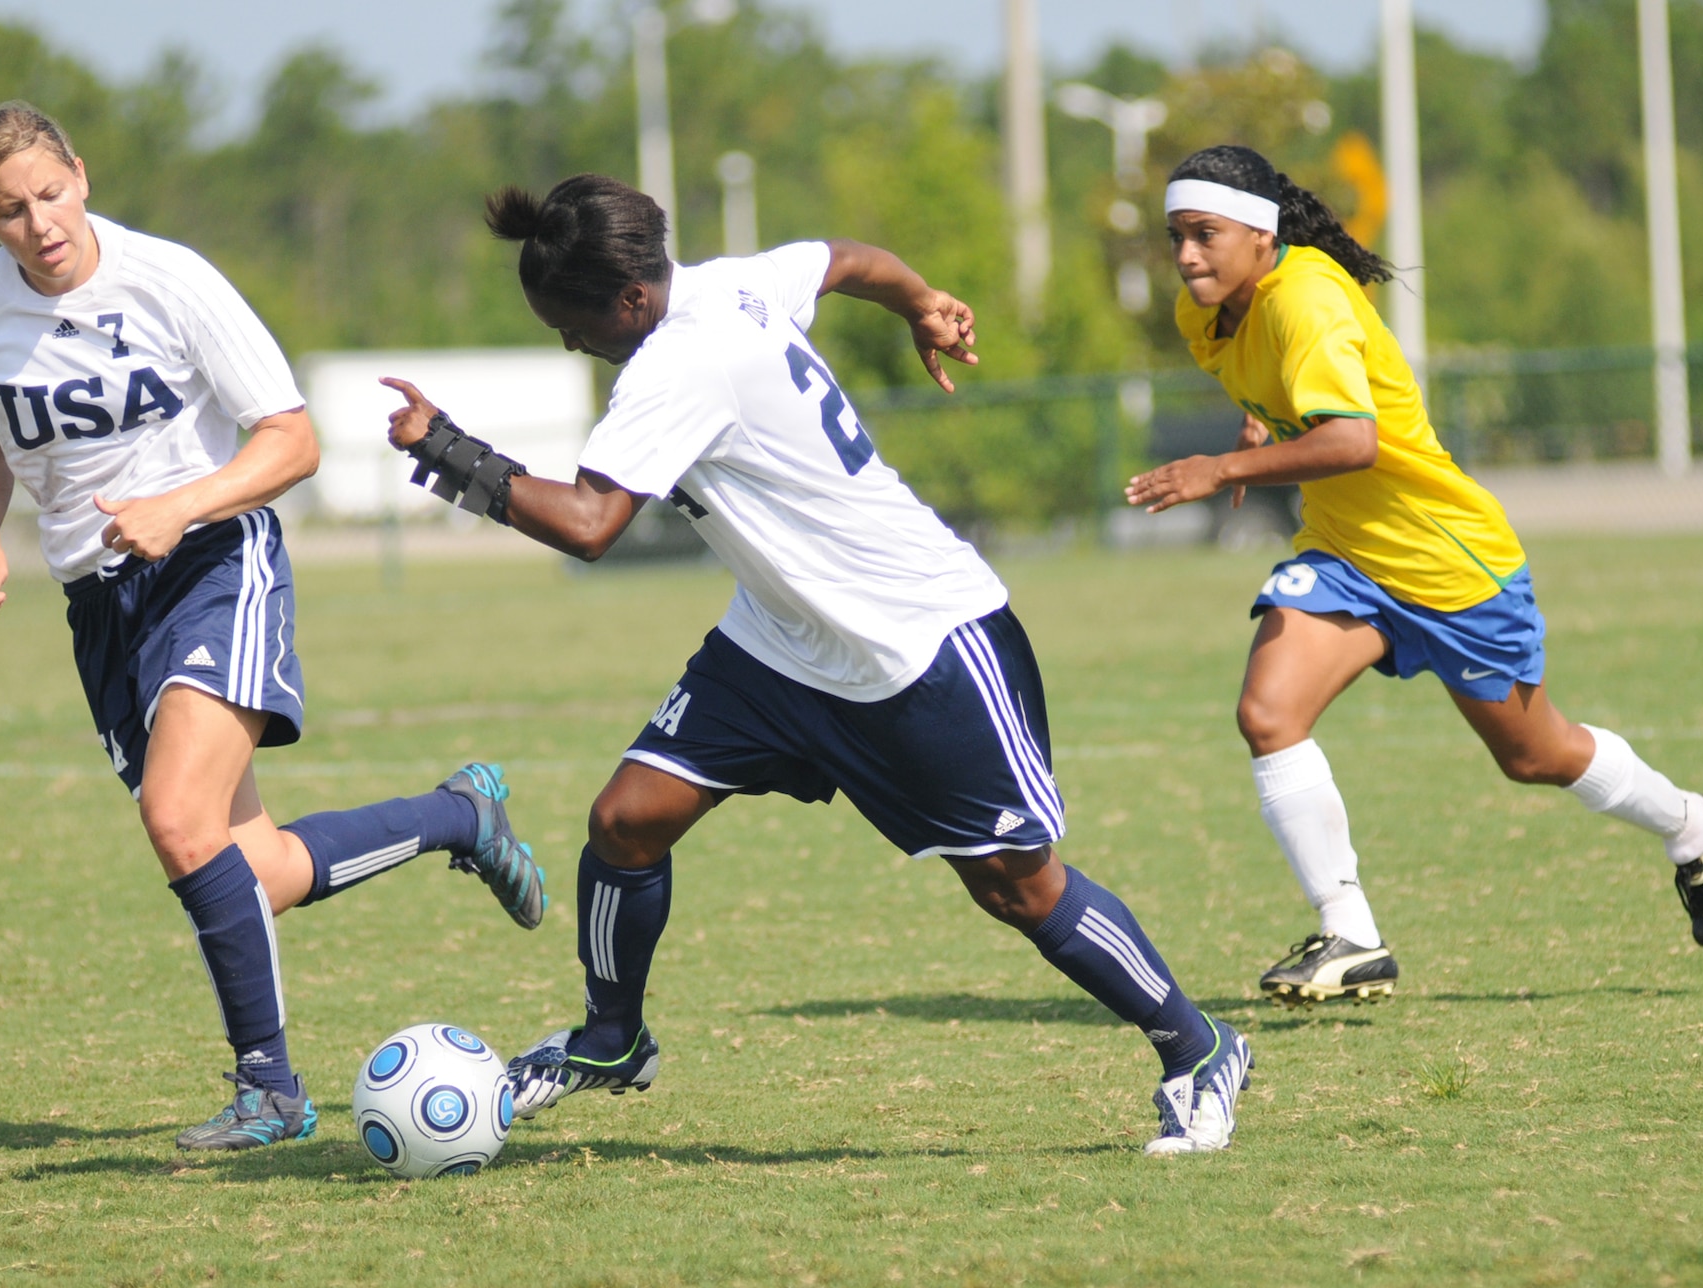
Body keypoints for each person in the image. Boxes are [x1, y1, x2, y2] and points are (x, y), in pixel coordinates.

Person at [381, 173, 1251, 1154]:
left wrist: (451, 450)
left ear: (628, 299)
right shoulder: (727, 283)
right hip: (780, 642)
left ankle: (1197, 1046)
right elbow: (843, 261)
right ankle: (609, 1039)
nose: (569, 343)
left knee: (1016, 885)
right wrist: (921, 299)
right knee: (627, 820)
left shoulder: (676, 362)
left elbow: (590, 525)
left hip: (916, 645)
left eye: (571, 324)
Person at [0, 102, 547, 1151]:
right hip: (101, 604)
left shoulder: (169, 280)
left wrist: (182, 505)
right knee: (247, 868)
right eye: (10, 210)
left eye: (50, 193)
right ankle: (457, 817)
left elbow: (293, 440)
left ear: (81, 175)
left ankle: (270, 1086)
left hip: (215, 562)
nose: (39, 222)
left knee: (177, 819)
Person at [1127, 144, 1703, 1005]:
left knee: (1535, 755)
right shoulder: (1212, 312)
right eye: (1176, 236)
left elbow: (1352, 441)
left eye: (1205, 233)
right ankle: (1351, 933)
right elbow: (1282, 380)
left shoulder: (1307, 298)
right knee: (1268, 712)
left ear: (1262, 233)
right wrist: (1259, 426)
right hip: (1346, 555)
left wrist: (1218, 471)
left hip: (1447, 562)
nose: (1187, 254)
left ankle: (1696, 823)